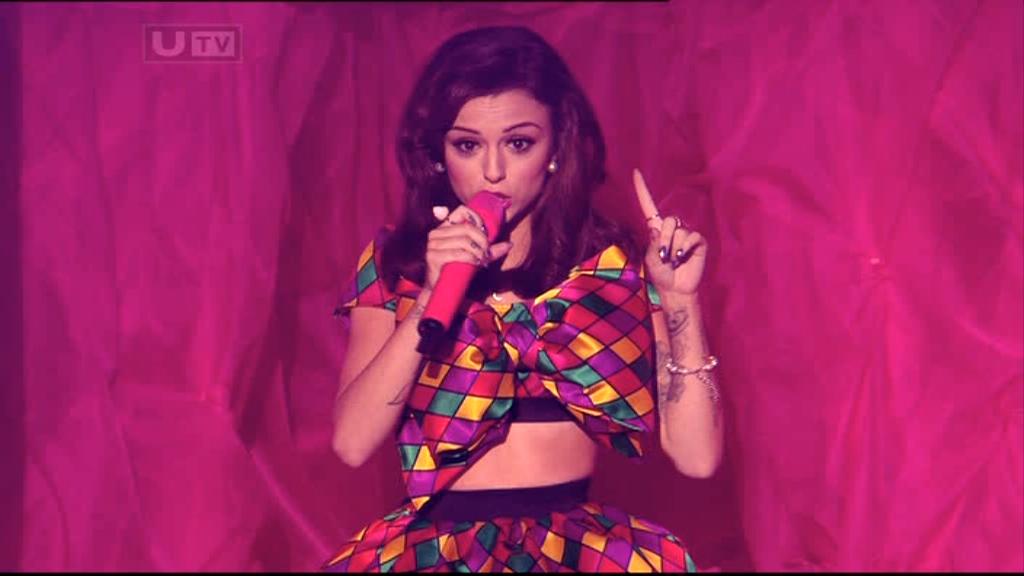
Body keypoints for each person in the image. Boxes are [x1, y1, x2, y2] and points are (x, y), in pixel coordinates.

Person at [325, 25, 723, 572]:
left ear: (556, 147)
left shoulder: (607, 270)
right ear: (438, 153)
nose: (493, 171)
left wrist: (680, 302)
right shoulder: (398, 263)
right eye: (468, 145)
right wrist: (432, 295)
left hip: (578, 554)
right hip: (435, 554)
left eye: (518, 143)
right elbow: (351, 443)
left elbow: (698, 458)